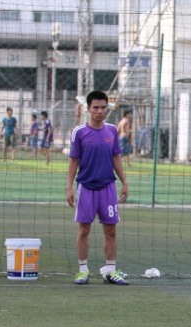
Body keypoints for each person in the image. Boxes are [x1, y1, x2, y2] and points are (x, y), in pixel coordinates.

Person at [66, 90, 130, 286]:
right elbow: (73, 160)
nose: (100, 111)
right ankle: (82, 271)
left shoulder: (111, 130)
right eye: (96, 108)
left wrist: (124, 182)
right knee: (84, 230)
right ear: (88, 109)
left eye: (103, 107)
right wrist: (69, 187)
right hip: (86, 187)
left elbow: (116, 157)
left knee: (110, 230)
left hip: (108, 188)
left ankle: (110, 271)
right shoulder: (79, 132)